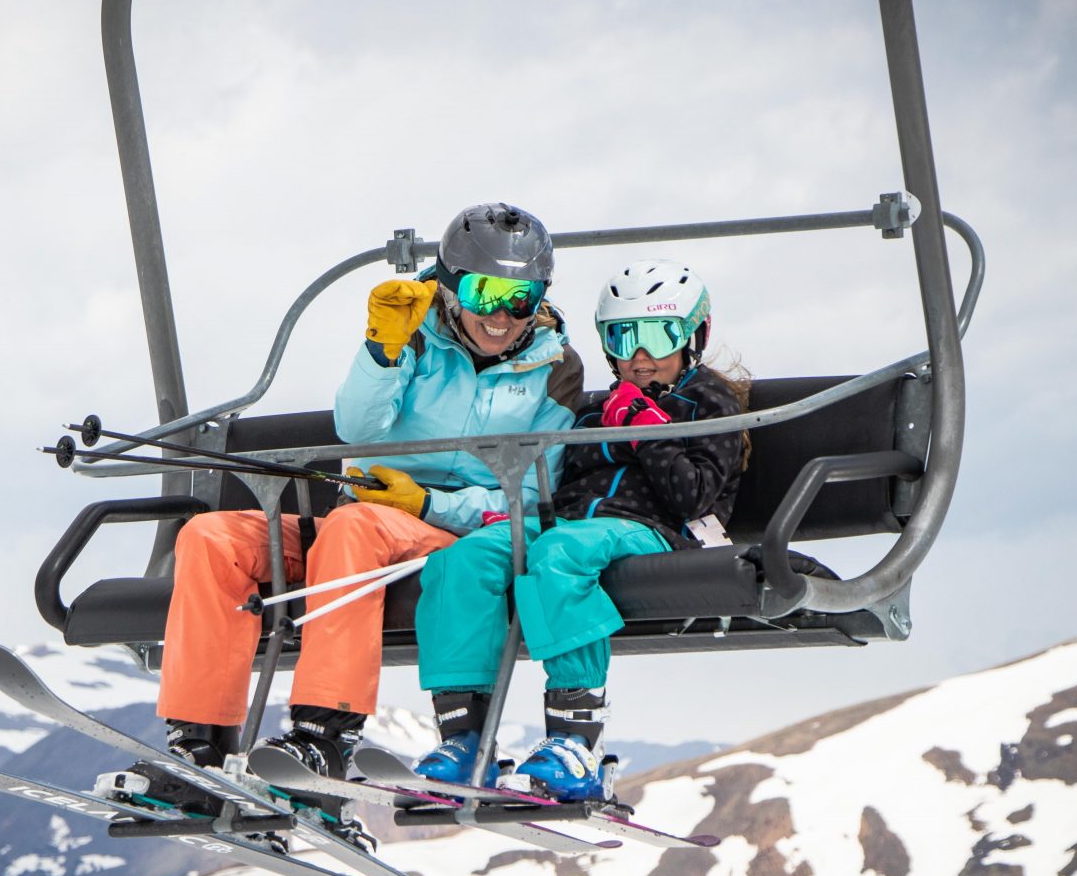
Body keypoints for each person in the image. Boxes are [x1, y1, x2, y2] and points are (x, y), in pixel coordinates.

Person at [133, 203, 583, 826]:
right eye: (485, 292)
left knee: (355, 527)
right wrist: (381, 350)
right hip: (369, 521)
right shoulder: (413, 334)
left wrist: (428, 503)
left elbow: (535, 498)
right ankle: (198, 746)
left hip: (463, 534)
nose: (502, 316)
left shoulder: (556, 370)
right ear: (450, 285)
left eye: (522, 296)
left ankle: (323, 737)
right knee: (212, 536)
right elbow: (357, 427)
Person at [409, 258, 748, 801]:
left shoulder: (707, 402)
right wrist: (514, 517)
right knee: (463, 559)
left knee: (560, 553)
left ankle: (574, 741)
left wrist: (645, 426)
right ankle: (464, 739)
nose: (638, 357)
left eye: (657, 336)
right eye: (622, 337)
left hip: (653, 530)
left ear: (692, 336)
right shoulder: (594, 411)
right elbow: (560, 482)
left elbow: (694, 494)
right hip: (570, 524)